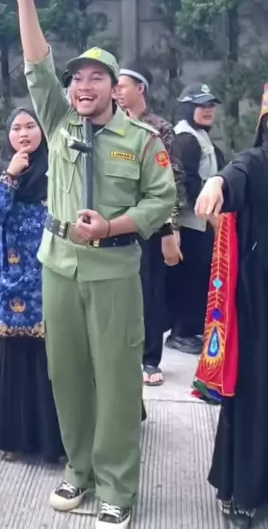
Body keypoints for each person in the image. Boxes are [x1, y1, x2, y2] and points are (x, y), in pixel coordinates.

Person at [15, 0, 176, 529]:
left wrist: (111, 226)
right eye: (77, 79)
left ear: (116, 88)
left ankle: (116, 487)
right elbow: (37, 65)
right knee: (67, 375)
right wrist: (26, 3)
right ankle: (78, 469)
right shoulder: (58, 122)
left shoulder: (143, 139)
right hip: (58, 266)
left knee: (116, 382)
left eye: (96, 78)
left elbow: (160, 201)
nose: (83, 87)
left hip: (112, 272)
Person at [193, 85, 268, 522]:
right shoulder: (258, 163)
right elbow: (235, 173)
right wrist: (216, 182)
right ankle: (244, 490)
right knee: (257, 393)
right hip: (260, 306)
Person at [0, 107, 64, 463]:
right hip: (12, 282)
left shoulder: (58, 171)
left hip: (51, 278)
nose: (24, 133)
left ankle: (53, 442)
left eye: (31, 126)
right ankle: (13, 438)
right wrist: (11, 176)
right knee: (15, 358)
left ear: (43, 132)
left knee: (52, 359)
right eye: (16, 128)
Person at [116, 64, 184, 386]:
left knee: (150, 292)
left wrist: (171, 228)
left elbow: (172, 180)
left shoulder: (158, 129)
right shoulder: (108, 125)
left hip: (150, 223)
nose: (116, 92)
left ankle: (150, 359)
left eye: (122, 86)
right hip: (114, 221)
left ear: (140, 88)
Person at [166, 83, 224, 355]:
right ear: (188, 108)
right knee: (188, 281)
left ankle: (190, 330)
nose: (208, 110)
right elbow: (183, 185)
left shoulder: (199, 136)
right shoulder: (186, 139)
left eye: (211, 105)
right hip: (190, 225)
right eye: (201, 105)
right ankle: (181, 333)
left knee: (200, 278)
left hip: (201, 223)